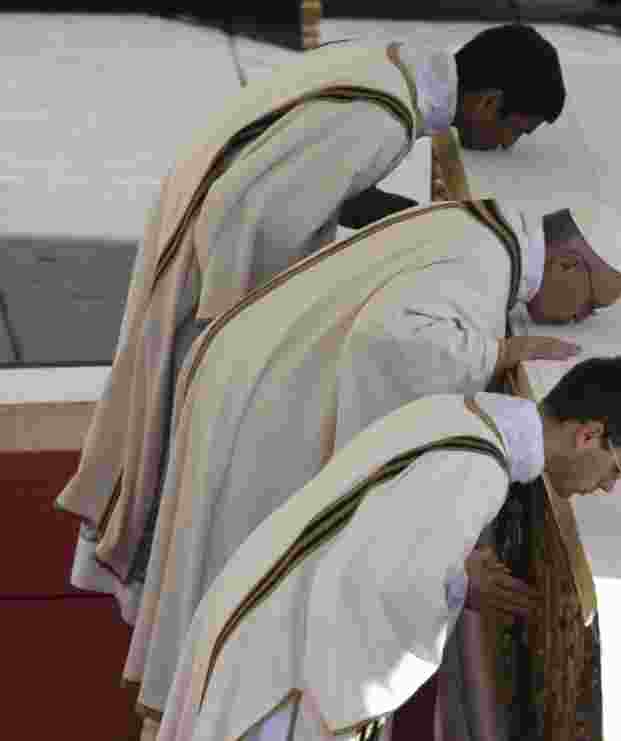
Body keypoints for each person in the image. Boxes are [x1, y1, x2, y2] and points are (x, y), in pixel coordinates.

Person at [56, 24, 567, 620]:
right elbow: (265, 219)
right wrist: (267, 316)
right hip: (216, 272)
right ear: (487, 102)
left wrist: (426, 226)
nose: (505, 145)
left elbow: (325, 188)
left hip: (192, 208)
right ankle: (162, 595)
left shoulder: (380, 61)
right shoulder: (380, 120)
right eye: (513, 128)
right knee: (186, 425)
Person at [126, 196, 621, 733]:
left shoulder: (457, 397)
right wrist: (496, 353)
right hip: (271, 412)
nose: (584, 318)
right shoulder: (475, 456)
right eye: (590, 304)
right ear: (565, 266)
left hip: (256, 386)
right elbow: (386, 340)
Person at [155, 356, 621, 741]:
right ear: (588, 436)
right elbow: (387, 590)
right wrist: (455, 583)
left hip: (258, 611)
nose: (609, 488)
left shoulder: (461, 415)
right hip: (283, 666)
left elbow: (382, 539)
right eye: (619, 469)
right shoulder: (478, 473)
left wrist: (452, 574)